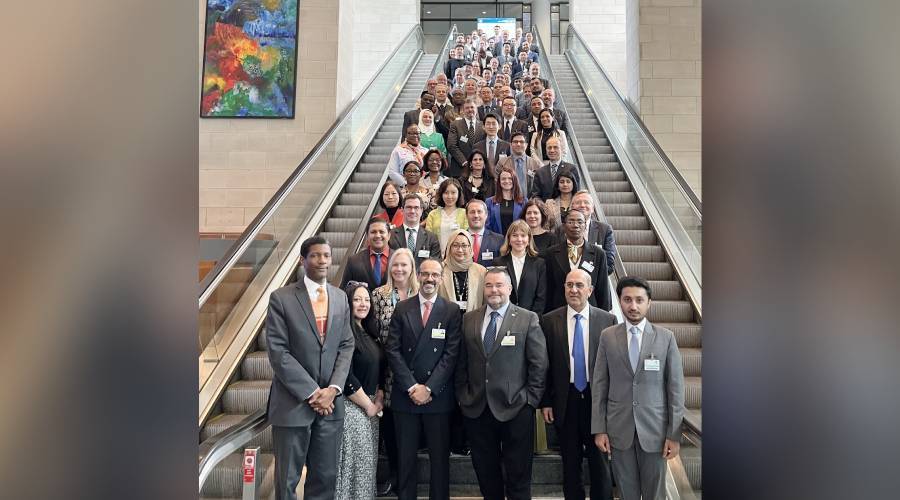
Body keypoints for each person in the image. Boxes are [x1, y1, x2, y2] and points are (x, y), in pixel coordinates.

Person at [266, 236, 355, 500]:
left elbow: (346, 345)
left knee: (325, 479)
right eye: (315, 255)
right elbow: (279, 353)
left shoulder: (340, 298)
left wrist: (333, 389)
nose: (322, 261)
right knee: (287, 482)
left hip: (330, 407)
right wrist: (313, 393)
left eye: (326, 255)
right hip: (292, 405)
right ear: (302, 260)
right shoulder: (281, 298)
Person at [454, 267, 548, 500]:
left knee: (518, 477)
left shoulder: (527, 318)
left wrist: (530, 400)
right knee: (486, 476)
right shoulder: (469, 319)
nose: (493, 290)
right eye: (489, 285)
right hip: (477, 408)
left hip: (516, 408)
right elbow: (461, 362)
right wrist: (463, 395)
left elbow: (539, 363)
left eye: (499, 285)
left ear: (509, 288)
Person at [592, 277, 686, 500]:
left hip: (655, 431)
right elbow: (600, 384)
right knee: (626, 493)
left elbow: (675, 389)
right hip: (619, 429)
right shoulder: (608, 337)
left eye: (639, 300)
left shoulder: (666, 338)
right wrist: (599, 428)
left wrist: (674, 434)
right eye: (627, 300)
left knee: (655, 494)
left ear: (649, 303)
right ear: (620, 301)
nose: (633, 306)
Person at [384, 258, 462, 500]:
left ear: (441, 278)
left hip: (437, 396)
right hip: (405, 395)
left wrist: (429, 388)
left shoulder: (451, 310)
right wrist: (411, 386)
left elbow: (451, 354)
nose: (430, 279)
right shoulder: (402, 308)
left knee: (439, 461)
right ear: (417, 276)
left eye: (435, 275)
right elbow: (392, 350)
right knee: (405, 459)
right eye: (425, 274)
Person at [540, 270, 616, 500]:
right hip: (566, 400)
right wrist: (546, 401)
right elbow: (544, 365)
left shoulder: (607, 320)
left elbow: (614, 367)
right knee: (570, 463)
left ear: (590, 290)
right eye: (569, 285)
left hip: (597, 401)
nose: (574, 290)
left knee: (600, 462)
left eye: (579, 285)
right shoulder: (548, 320)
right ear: (563, 288)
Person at [371, 249, 420, 497]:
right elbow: (374, 332)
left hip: (418, 370)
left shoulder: (420, 294)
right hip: (389, 369)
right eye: (395, 265)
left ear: (412, 268)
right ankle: (395, 475)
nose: (399, 269)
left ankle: (410, 477)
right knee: (391, 426)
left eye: (404, 265)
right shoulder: (379, 295)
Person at [336, 281, 386, 500]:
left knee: (366, 468)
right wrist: (368, 405)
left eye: (366, 299)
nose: (363, 304)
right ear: (348, 303)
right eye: (357, 299)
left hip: (371, 408)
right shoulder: (344, 333)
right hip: (353, 408)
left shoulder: (368, 331)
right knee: (356, 470)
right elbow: (346, 376)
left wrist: (379, 396)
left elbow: (379, 368)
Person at [541, 210, 611, 313]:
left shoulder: (598, 254)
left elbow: (603, 288)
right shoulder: (551, 253)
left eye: (580, 222)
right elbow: (548, 288)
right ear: (564, 226)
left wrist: (604, 315)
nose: (575, 225)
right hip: (559, 311)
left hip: (590, 311)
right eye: (571, 222)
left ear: (585, 226)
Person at [492, 220, 546, 313]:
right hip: (504, 315)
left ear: (529, 240)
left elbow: (541, 296)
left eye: (523, 235)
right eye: (515, 235)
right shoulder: (498, 263)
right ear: (509, 239)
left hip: (530, 316)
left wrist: (532, 318)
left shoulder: (539, 264)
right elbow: (496, 293)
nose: (519, 239)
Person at [561, 190, 617, 275]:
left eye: (586, 202)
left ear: (593, 208)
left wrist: (585, 278)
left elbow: (609, 264)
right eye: (578, 202)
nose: (582, 205)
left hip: (595, 281)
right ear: (571, 207)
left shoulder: (605, 230)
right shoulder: (561, 229)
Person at [438, 229, 487, 314]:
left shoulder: (481, 271)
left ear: (470, 248)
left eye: (464, 246)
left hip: (473, 320)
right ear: (449, 247)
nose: (460, 250)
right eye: (455, 245)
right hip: (445, 320)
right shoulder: (440, 270)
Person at [388, 193, 442, 268]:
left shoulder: (432, 238)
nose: (412, 211)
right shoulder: (391, 235)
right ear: (402, 210)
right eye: (409, 207)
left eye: (416, 207)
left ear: (421, 210)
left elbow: (435, 265)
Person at [340, 218, 392, 290]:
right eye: (373, 232)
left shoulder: (400, 258)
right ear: (367, 236)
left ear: (389, 235)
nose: (377, 235)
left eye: (381, 232)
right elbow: (343, 289)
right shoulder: (354, 260)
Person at [425, 177, 469, 251]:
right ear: (441, 194)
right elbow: (428, 238)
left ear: (459, 194)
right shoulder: (433, 214)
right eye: (446, 192)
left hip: (458, 255)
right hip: (437, 255)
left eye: (453, 192)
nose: (449, 196)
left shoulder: (465, 214)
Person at [530, 137, 580, 201]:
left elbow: (577, 193)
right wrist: (544, 205)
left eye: (555, 147)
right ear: (546, 150)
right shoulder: (540, 172)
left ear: (561, 149)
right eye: (549, 148)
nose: (552, 150)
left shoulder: (571, 169)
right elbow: (536, 196)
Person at [447, 99, 486, 178]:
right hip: (460, 169)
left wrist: (477, 162)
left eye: (472, 107)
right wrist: (464, 162)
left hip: (480, 170)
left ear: (476, 109)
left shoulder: (483, 125)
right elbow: (451, 145)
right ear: (463, 110)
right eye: (467, 108)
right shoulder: (455, 125)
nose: (470, 110)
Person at [485, 166, 527, 237]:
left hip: (517, 240)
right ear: (499, 182)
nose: (507, 181)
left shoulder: (524, 201)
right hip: (496, 240)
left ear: (514, 180)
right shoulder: (489, 202)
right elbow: (487, 226)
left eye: (510, 178)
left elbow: (526, 225)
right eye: (503, 179)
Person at [496, 130, 541, 196]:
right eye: (515, 142)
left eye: (521, 142)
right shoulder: (502, 163)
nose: (518, 144)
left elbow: (538, 186)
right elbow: (497, 183)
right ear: (511, 145)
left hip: (529, 199)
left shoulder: (535, 164)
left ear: (526, 145)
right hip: (508, 199)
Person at [465, 198, 504, 267]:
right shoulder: (458, 238)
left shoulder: (499, 240)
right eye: (472, 212)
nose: (476, 215)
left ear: (486, 215)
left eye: (479, 212)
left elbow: (501, 267)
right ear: (466, 215)